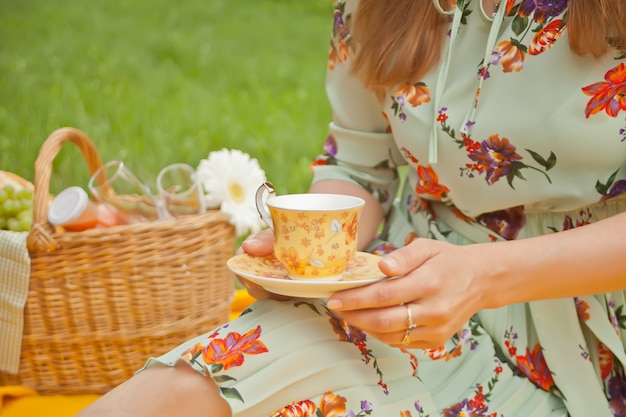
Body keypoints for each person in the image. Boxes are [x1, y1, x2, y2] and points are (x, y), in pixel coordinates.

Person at [76, 0, 626, 415]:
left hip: (590, 321)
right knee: (190, 390)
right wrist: (310, 247)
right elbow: (360, 165)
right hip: (401, 290)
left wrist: (483, 278)